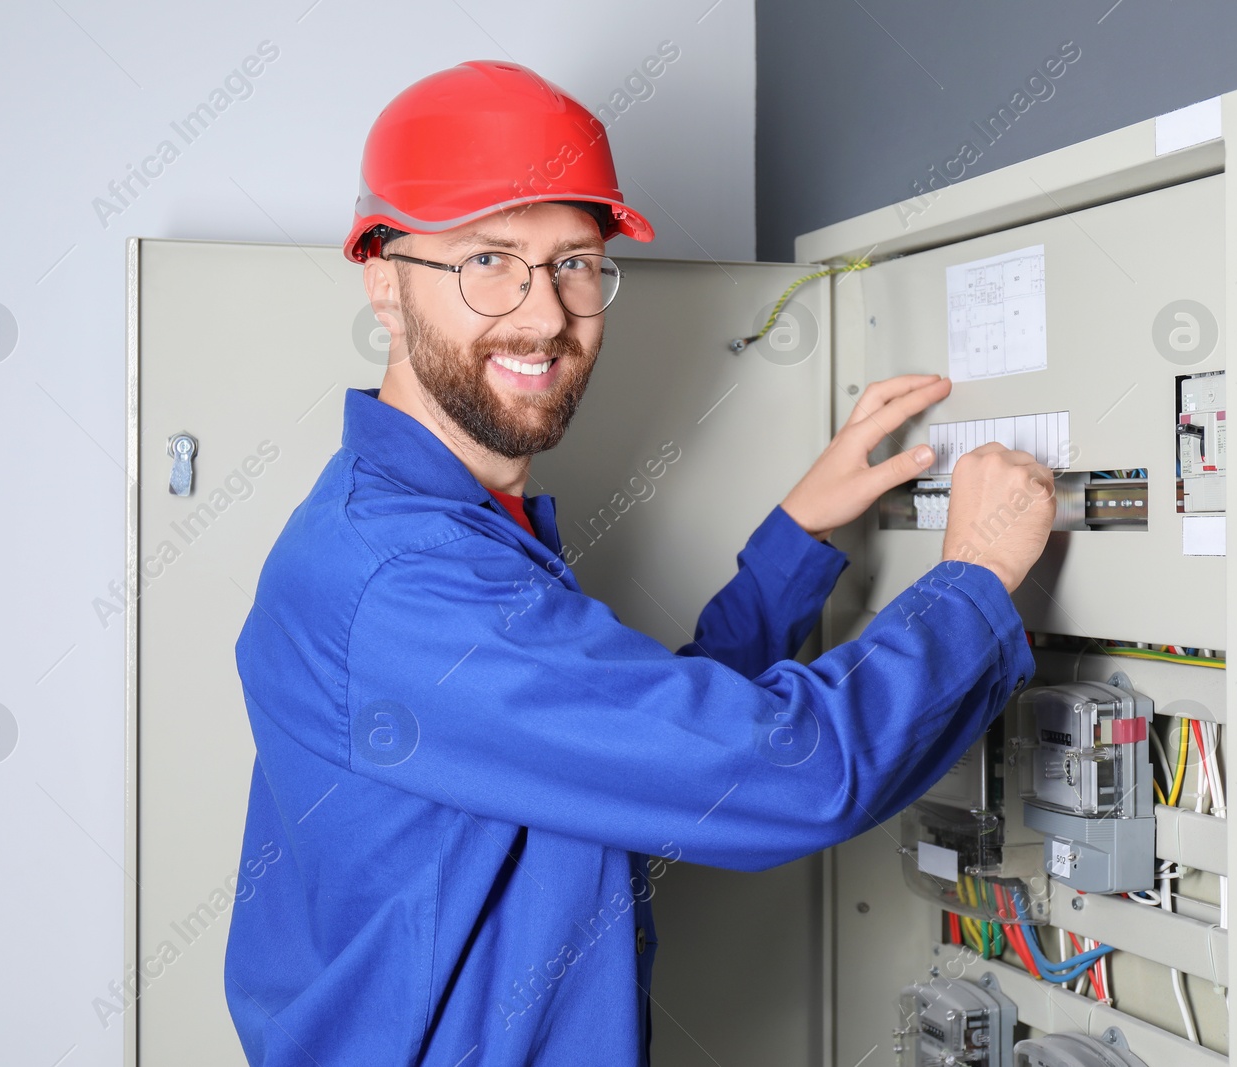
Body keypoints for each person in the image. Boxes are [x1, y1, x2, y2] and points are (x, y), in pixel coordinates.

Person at [224, 59, 1054, 1067]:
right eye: (487, 259)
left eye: (574, 261)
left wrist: (797, 539)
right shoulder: (406, 575)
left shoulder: (449, 524)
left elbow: (638, 739)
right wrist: (969, 584)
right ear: (383, 283)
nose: (542, 315)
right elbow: (790, 773)